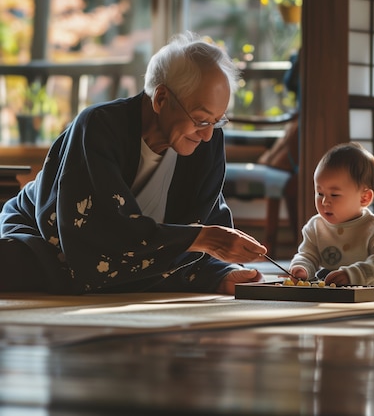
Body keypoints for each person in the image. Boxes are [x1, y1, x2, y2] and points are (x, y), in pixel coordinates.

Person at [0, 31, 267, 294]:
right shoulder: (99, 125)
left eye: (217, 121)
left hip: (135, 257)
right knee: (24, 264)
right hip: (47, 237)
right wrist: (200, 239)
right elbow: (97, 231)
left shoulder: (207, 140)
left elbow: (205, 220)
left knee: (163, 268)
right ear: (161, 99)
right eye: (201, 120)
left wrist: (221, 270)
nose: (208, 134)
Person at [289, 141, 374, 293]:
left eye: (335, 195)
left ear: (364, 198)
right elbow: (308, 254)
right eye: (320, 193)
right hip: (333, 278)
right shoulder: (315, 226)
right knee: (320, 277)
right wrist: (301, 267)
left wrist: (353, 275)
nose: (324, 201)